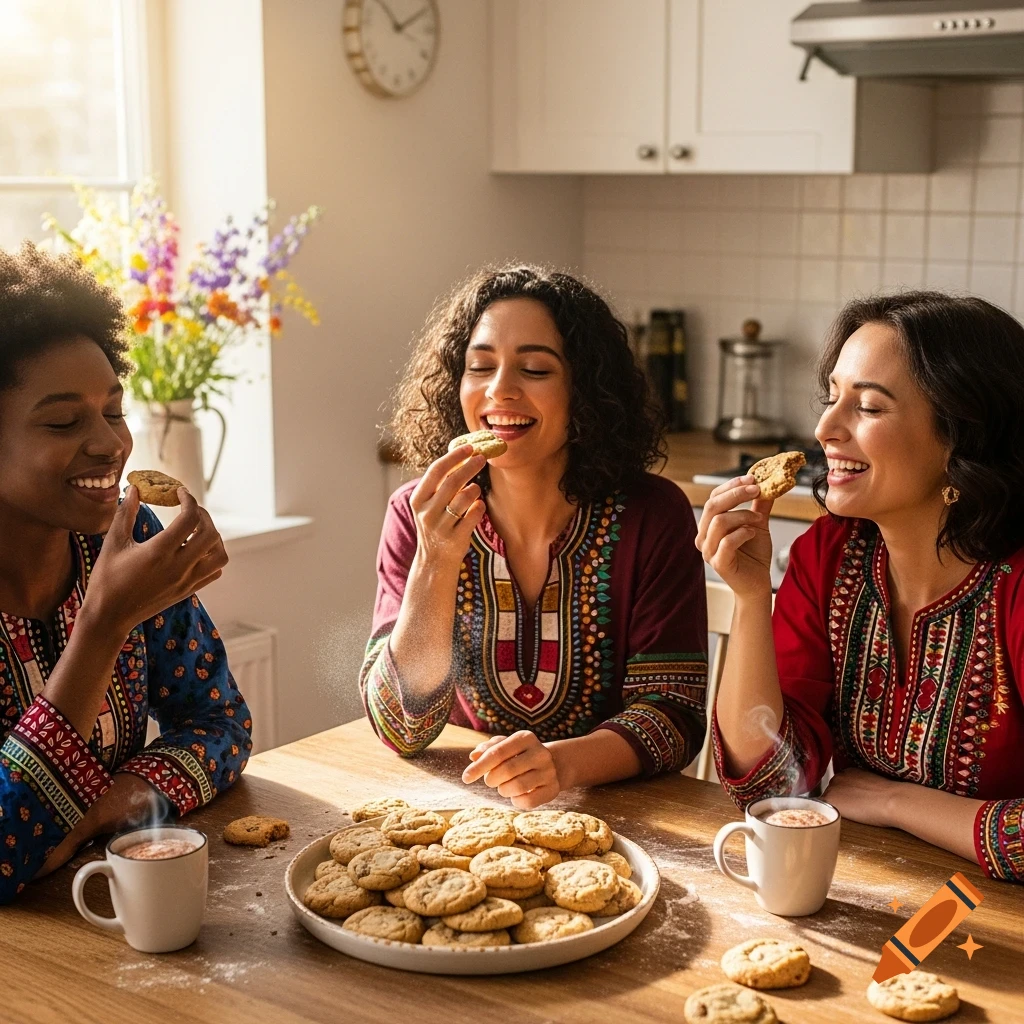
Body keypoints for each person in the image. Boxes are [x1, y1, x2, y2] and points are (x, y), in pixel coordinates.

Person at [697, 291, 1024, 883]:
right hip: (870, 887)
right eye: (831, 399)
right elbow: (768, 784)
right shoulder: (829, 556)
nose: (825, 428)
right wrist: (750, 597)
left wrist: (897, 803)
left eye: (868, 408)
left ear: (962, 435)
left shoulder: (1018, 587)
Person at [361, 265, 708, 808]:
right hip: (460, 806)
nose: (501, 390)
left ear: (586, 389)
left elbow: (674, 715)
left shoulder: (654, 515)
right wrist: (435, 561)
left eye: (535, 370)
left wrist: (562, 764)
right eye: (480, 367)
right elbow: (399, 729)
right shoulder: (416, 513)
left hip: (618, 814)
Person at [0, 243, 251, 904]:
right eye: (63, 420)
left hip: (109, 912)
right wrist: (102, 626)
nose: (111, 444)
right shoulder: (121, 575)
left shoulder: (125, 538)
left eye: (114, 410)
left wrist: (96, 811)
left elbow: (222, 727)